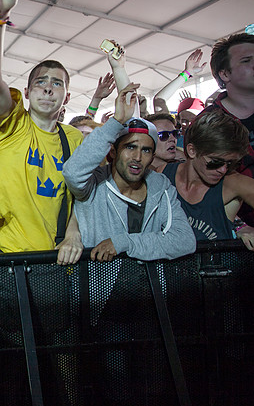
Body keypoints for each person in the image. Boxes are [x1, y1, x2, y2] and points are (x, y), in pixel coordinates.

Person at [0, 0, 82, 253]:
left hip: (60, 257)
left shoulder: (75, 139)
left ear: (66, 96)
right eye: (40, 82)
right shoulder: (13, 125)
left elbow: (85, 196)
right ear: (26, 93)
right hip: (10, 258)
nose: (48, 89)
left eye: (57, 84)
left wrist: (74, 231)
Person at [62, 84, 196, 262]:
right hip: (100, 287)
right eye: (130, 147)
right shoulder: (93, 186)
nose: (138, 157)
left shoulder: (161, 187)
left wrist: (124, 242)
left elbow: (184, 241)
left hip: (150, 288)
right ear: (113, 152)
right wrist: (115, 122)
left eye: (146, 150)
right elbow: (72, 172)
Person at [162, 109, 254, 248]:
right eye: (215, 161)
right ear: (192, 151)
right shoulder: (161, 175)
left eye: (230, 164)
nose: (222, 170)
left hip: (217, 268)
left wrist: (242, 228)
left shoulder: (233, 183)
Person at [203, 33, 254, 225]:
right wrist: (237, 227)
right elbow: (201, 186)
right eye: (246, 61)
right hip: (240, 240)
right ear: (225, 74)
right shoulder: (209, 121)